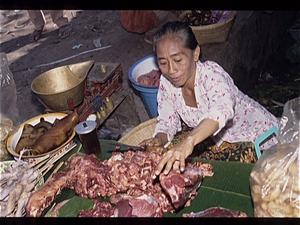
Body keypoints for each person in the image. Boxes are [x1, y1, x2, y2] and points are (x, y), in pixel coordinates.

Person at [138, 21, 279, 180]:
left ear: (196, 53)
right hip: (220, 141)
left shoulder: (211, 75)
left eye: (178, 60)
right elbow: (167, 121)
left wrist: (188, 142)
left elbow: (220, 111)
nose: (171, 70)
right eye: (163, 62)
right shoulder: (167, 83)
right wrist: (159, 138)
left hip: (256, 138)